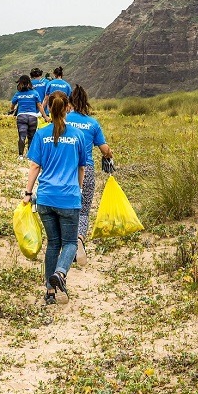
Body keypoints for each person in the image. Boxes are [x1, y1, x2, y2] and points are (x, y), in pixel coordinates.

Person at [23, 91, 89, 306]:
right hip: (69, 198)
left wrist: (28, 193)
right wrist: (77, 190)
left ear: (49, 108)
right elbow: (82, 168)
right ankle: (60, 274)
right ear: (67, 107)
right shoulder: (78, 135)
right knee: (70, 242)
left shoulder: (42, 134)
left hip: (45, 198)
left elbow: (34, 166)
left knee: (53, 244)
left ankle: (50, 292)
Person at [66, 85, 113, 266]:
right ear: (86, 102)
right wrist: (109, 155)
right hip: (87, 170)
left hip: (66, 170)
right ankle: (79, 238)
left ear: (69, 102)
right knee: (83, 209)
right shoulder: (93, 124)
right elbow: (105, 150)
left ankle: (67, 245)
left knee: (66, 208)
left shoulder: (64, 120)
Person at [10, 75, 46, 159]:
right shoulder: (34, 93)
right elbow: (40, 106)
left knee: (22, 136)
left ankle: (20, 156)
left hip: (21, 117)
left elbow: (12, 105)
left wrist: (12, 110)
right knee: (31, 137)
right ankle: (29, 155)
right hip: (33, 117)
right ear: (29, 83)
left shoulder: (18, 94)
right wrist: (45, 116)